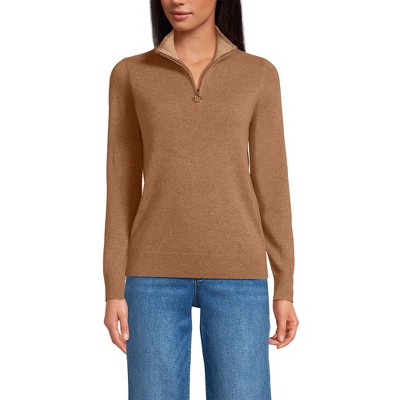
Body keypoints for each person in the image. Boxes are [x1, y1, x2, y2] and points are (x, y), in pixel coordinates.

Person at [103, 0, 299, 398]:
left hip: (239, 275)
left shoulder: (258, 75)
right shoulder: (131, 74)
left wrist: (284, 286)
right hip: (151, 279)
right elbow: (121, 189)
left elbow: (273, 187)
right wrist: (112, 288)